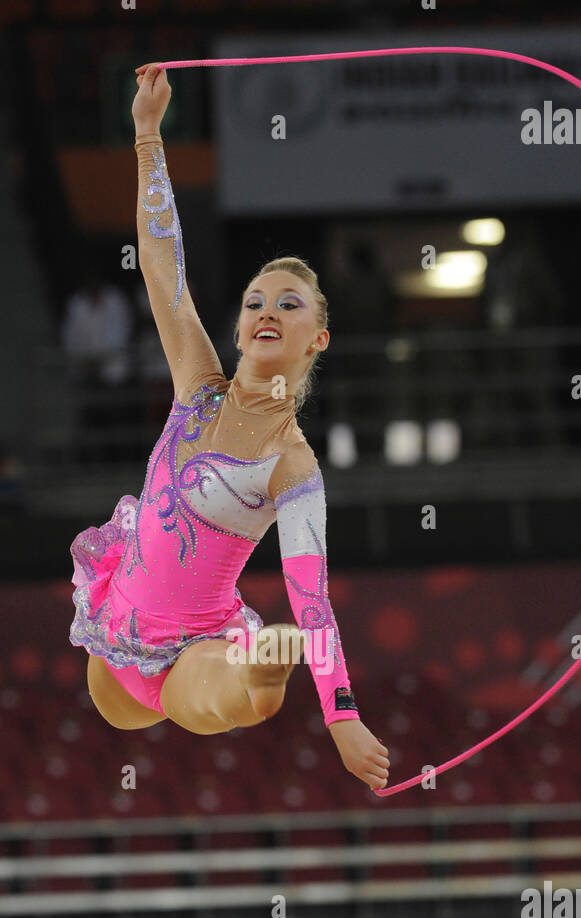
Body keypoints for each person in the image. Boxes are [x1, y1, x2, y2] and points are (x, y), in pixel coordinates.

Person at [69, 63, 389, 792]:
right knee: (117, 708)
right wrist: (148, 136)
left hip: (194, 649)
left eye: (290, 303)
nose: (267, 309)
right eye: (254, 301)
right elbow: (160, 270)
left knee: (220, 688)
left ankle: (260, 680)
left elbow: (311, 599)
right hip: (115, 628)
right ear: (241, 331)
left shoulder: (290, 465)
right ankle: (250, 677)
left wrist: (341, 717)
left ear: (318, 340)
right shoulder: (198, 387)